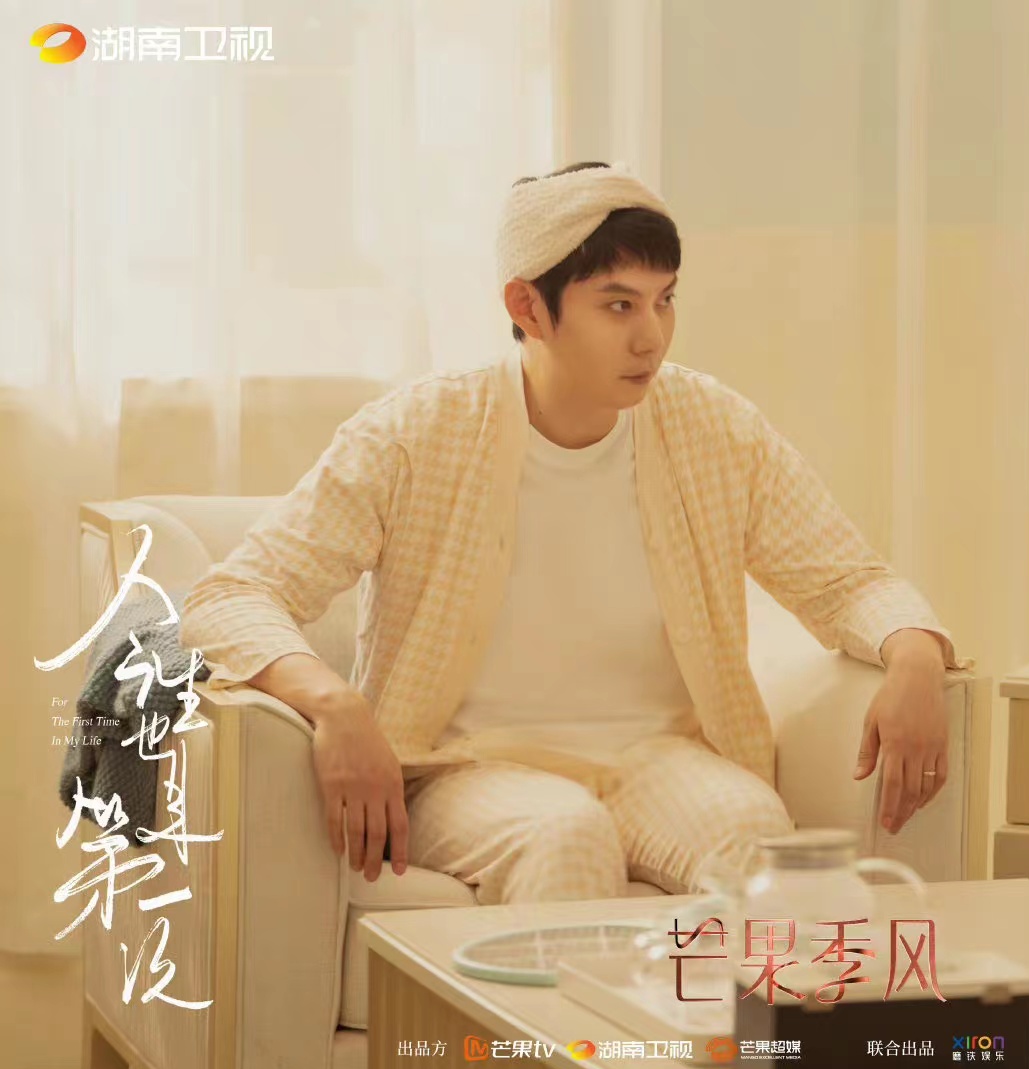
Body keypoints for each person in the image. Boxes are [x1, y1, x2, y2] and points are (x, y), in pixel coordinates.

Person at [179, 161, 968, 905]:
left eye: (664, 300)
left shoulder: (713, 427)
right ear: (527, 308)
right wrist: (334, 703)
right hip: (465, 767)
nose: (651, 337)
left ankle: (722, 1018)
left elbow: (845, 578)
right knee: (567, 837)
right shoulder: (416, 433)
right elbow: (231, 597)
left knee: (752, 829)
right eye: (619, 305)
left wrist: (913, 656)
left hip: (659, 758)